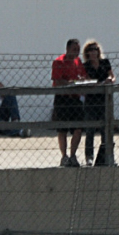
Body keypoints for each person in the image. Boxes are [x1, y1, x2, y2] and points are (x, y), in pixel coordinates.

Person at [51, 38, 87, 168]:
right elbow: (57, 80)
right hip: (63, 99)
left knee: (78, 128)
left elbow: (83, 76)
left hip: (75, 99)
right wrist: (70, 84)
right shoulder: (58, 62)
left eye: (78, 50)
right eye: (74, 49)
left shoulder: (78, 62)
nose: (76, 52)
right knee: (62, 129)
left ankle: (73, 155)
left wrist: (81, 81)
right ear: (67, 49)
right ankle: (64, 156)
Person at [81, 40, 115, 166]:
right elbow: (88, 82)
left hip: (104, 100)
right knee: (90, 130)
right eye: (91, 50)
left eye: (95, 49)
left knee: (105, 129)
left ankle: (107, 155)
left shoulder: (105, 63)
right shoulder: (85, 66)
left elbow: (112, 76)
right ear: (87, 53)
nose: (94, 52)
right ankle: (89, 156)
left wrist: (109, 80)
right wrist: (101, 84)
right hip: (91, 101)